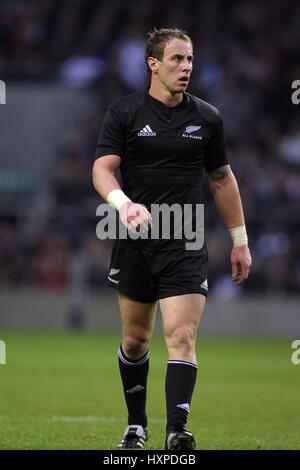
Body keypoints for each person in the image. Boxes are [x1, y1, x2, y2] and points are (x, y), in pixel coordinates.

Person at [92, 27, 252, 450]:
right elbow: (102, 168)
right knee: (136, 339)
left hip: (184, 240)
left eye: (190, 60)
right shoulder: (124, 113)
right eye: (177, 59)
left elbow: (221, 179)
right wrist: (122, 203)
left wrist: (240, 240)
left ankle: (177, 431)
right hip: (136, 240)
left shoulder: (207, 117)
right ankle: (136, 424)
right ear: (154, 64)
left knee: (181, 336)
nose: (186, 67)